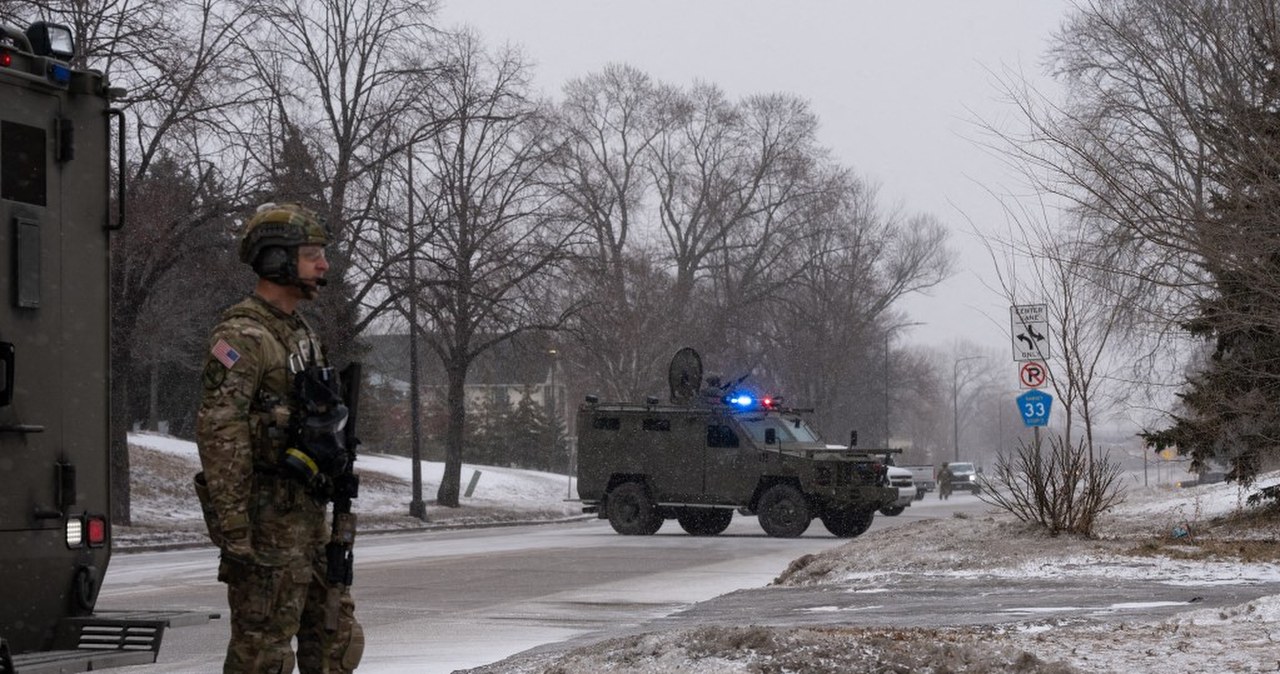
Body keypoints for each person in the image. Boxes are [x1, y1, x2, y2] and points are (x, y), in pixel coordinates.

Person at [195, 202, 363, 674]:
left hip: (310, 517)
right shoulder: (243, 336)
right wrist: (234, 527)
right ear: (276, 260)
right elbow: (220, 430)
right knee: (262, 651)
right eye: (312, 255)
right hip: (267, 523)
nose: (323, 265)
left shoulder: (300, 332)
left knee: (334, 641)